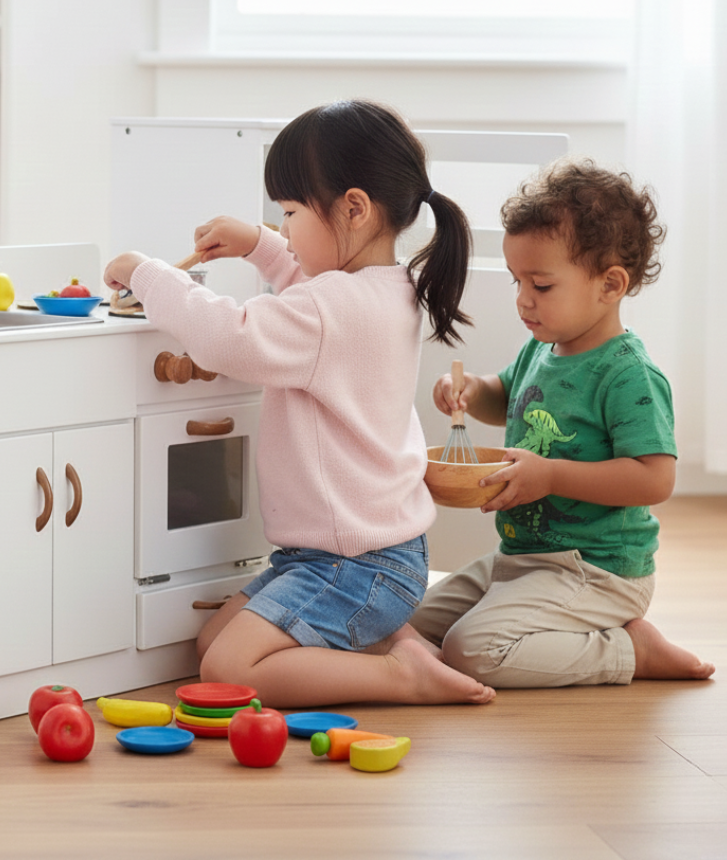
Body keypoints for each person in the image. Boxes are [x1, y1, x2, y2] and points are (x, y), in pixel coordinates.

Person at [104, 100, 495, 708]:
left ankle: (403, 676)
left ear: (355, 209)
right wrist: (259, 244)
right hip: (350, 555)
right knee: (212, 644)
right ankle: (397, 643)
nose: (284, 229)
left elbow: (230, 336)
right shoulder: (386, 289)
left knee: (227, 668)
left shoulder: (331, 309)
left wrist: (148, 275)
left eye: (289, 212)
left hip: (354, 564)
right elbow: (312, 285)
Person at [411, 158, 715, 687]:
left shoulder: (628, 375)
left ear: (610, 284)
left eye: (542, 285)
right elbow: (505, 398)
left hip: (596, 569)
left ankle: (629, 651)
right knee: (407, 624)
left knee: (471, 650)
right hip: (522, 556)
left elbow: (654, 478)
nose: (522, 299)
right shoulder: (542, 347)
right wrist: (473, 391)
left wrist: (550, 476)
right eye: (517, 281)